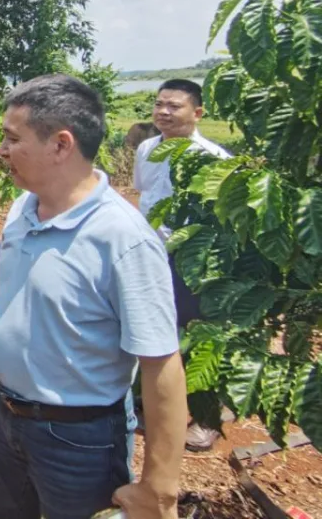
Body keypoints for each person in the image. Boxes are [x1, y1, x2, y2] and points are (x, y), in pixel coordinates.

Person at [0, 74, 187, 519]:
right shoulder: (28, 205)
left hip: (77, 439)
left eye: (12, 138)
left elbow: (161, 361)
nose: (1, 151)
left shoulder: (123, 238)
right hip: (6, 416)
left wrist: (160, 487)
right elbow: (3, 271)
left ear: (61, 145)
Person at [134, 78, 230, 451]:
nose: (164, 112)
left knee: (196, 331)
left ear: (198, 112)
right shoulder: (146, 148)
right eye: (159, 104)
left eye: (174, 106)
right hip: (148, 251)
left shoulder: (214, 159)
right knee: (151, 326)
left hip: (190, 257)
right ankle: (150, 403)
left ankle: (206, 417)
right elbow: (144, 190)